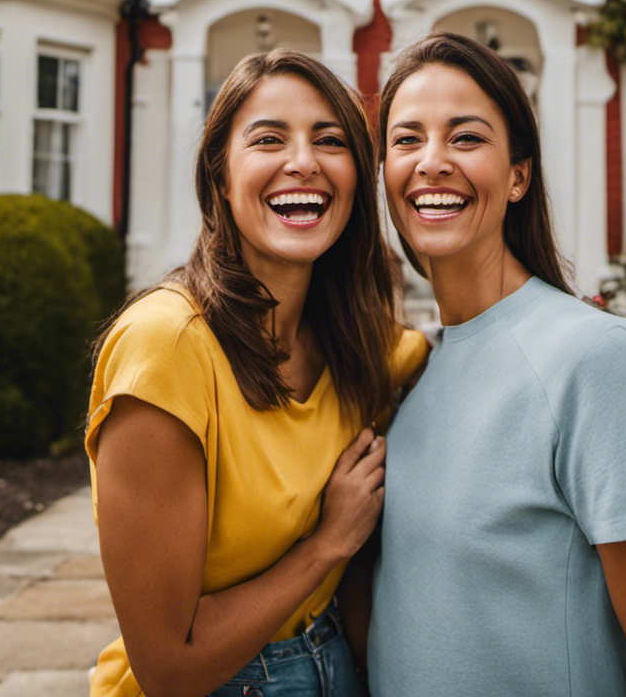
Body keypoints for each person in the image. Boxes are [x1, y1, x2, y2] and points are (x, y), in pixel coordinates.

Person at [368, 32, 626, 697]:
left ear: (519, 174)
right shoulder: (415, 368)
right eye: (407, 140)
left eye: (465, 138)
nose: (432, 162)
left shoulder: (595, 358)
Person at [86, 49, 427, 697]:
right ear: (220, 176)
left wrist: (553, 321)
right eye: (269, 138)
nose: (303, 160)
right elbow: (169, 666)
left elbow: (452, 349)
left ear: (357, 178)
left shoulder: (361, 348)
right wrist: (328, 544)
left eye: (330, 140)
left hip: (339, 666)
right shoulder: (167, 348)